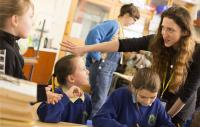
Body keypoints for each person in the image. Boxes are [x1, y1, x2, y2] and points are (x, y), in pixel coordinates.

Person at [61, 6, 200, 126]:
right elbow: (122, 44)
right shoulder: (158, 41)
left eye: (170, 30)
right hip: (154, 102)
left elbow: (187, 93)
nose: (164, 34)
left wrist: (165, 117)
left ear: (185, 32)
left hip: (178, 110)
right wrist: (86, 49)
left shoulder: (197, 53)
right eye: (163, 28)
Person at [0, 0, 62, 103]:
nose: (33, 22)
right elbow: (4, 91)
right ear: (15, 20)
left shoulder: (13, 45)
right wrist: (38, 93)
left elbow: (17, 80)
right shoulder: (4, 49)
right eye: (30, 16)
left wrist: (40, 90)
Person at [85, 3, 140, 117]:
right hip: (103, 67)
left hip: (108, 68)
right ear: (126, 14)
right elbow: (93, 34)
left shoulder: (120, 29)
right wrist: (97, 57)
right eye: (134, 19)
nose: (134, 23)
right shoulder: (113, 25)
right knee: (99, 100)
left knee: (101, 99)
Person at [92, 68, 174, 127]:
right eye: (142, 97)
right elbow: (99, 119)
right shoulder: (119, 95)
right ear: (133, 88)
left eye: (152, 97)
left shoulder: (157, 104)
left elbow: (168, 124)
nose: (147, 102)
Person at [37, 55, 92, 124]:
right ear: (71, 78)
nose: (88, 71)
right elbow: (45, 116)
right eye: (83, 69)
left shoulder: (86, 99)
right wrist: (66, 96)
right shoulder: (53, 94)